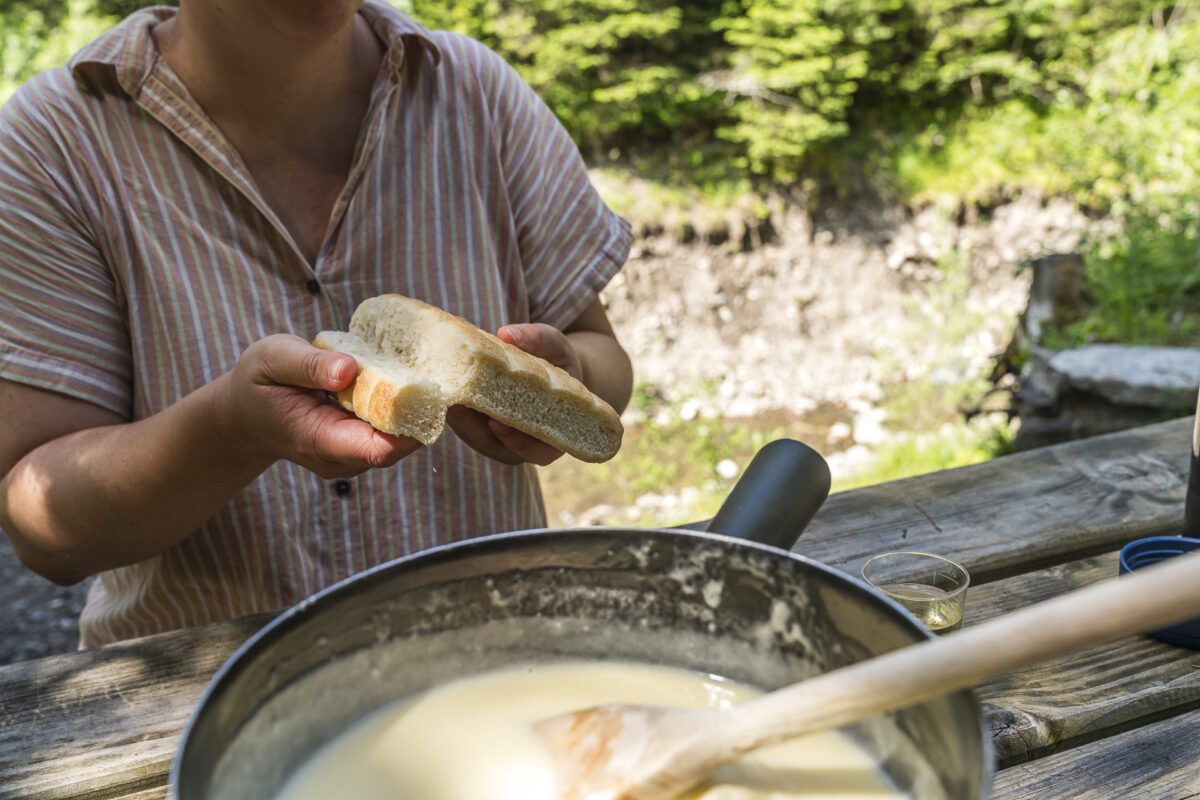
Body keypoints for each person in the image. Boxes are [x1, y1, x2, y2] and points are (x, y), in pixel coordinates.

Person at [0, 0, 633, 647]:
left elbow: (601, 362)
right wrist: (227, 432)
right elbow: (42, 532)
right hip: (206, 703)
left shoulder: (478, 91)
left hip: (487, 657)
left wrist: (562, 378)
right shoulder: (53, 140)